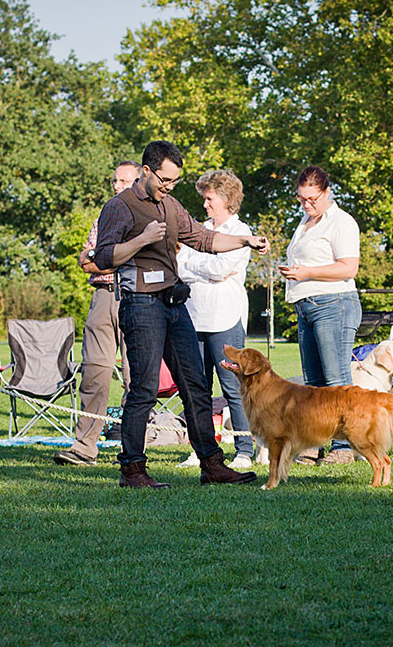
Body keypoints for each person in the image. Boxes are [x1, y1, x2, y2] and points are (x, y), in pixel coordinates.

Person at [93, 140, 270, 488]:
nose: (169, 187)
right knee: (143, 388)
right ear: (146, 171)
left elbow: (205, 239)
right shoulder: (119, 207)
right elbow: (103, 257)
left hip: (175, 305)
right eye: (164, 179)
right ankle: (132, 470)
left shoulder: (171, 206)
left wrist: (245, 241)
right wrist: (141, 240)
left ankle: (212, 465)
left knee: (196, 386)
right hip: (141, 305)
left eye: (174, 181)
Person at [53, 161, 141, 466]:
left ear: (139, 182)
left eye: (123, 181)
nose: (116, 186)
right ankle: (84, 446)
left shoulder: (147, 216)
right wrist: (114, 257)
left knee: (136, 378)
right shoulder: (104, 216)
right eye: (115, 181)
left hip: (136, 298)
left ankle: (131, 451)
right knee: (94, 373)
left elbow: (135, 260)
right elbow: (86, 260)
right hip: (103, 297)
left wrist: (106, 256)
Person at [279, 165, 362, 464]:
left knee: (335, 380)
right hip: (306, 306)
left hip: (334, 305)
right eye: (301, 199)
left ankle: (343, 448)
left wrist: (307, 272)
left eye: (312, 199)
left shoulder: (341, 222)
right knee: (312, 382)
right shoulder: (304, 223)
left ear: (327, 192)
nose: (307, 204)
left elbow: (348, 267)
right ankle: (314, 444)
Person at [175, 169, 255, 469]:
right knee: (198, 388)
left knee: (233, 386)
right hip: (194, 317)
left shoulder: (241, 231)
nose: (205, 204)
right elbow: (181, 266)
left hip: (226, 317)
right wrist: (204, 264)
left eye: (209, 198)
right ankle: (202, 449)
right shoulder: (198, 229)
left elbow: (222, 269)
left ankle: (244, 449)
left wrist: (199, 263)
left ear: (225, 198)